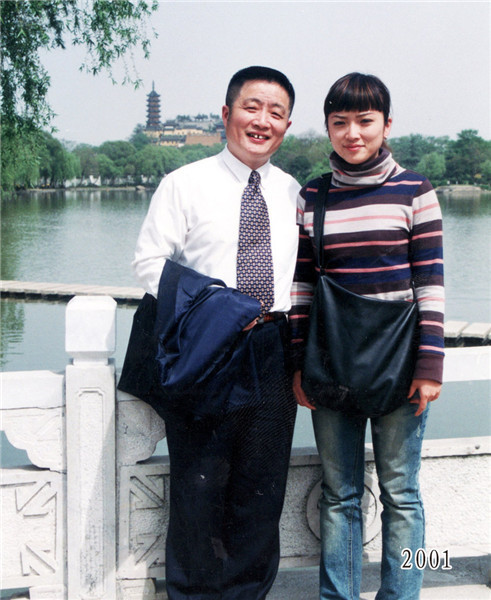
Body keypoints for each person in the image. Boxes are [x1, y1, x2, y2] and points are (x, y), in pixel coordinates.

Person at [131, 66, 300, 599]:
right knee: (199, 491)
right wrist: (223, 306)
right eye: (252, 107)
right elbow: (148, 265)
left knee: (260, 491)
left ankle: (250, 593)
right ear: (227, 114)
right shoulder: (184, 183)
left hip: (272, 350)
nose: (262, 121)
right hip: (209, 350)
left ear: (286, 125)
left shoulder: (293, 191)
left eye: (275, 113)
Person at [290, 73, 444, 600]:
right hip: (330, 365)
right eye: (340, 122)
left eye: (364, 121)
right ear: (328, 127)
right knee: (340, 495)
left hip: (401, 366)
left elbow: (430, 286)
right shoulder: (314, 195)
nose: (352, 133)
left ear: (386, 124)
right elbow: (303, 287)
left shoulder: (415, 191)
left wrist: (430, 368)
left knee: (403, 495)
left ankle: (403, 593)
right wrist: (298, 365)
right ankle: (339, 595)